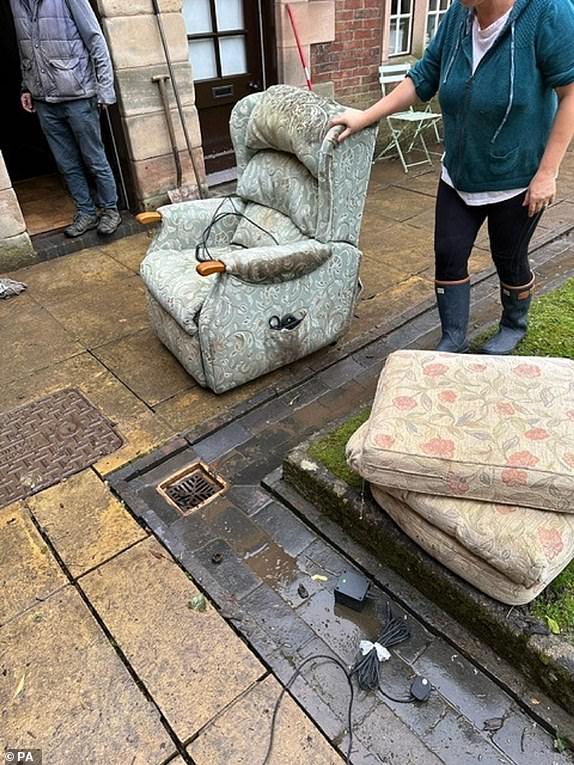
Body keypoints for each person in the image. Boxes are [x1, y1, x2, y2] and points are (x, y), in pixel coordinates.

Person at [333, 0, 574, 355]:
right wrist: (367, 116)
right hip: (459, 172)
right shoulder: (459, 16)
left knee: (508, 257)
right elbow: (424, 76)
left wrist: (547, 173)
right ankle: (453, 338)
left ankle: (513, 325)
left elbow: (571, 93)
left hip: (518, 177)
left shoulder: (547, 12)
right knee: (448, 253)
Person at [9, 0, 121, 238]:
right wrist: (26, 87)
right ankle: (86, 212)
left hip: (79, 94)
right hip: (44, 99)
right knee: (66, 163)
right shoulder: (16, 3)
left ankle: (110, 209)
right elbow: (25, 48)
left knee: (94, 157)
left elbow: (95, 40)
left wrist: (105, 89)